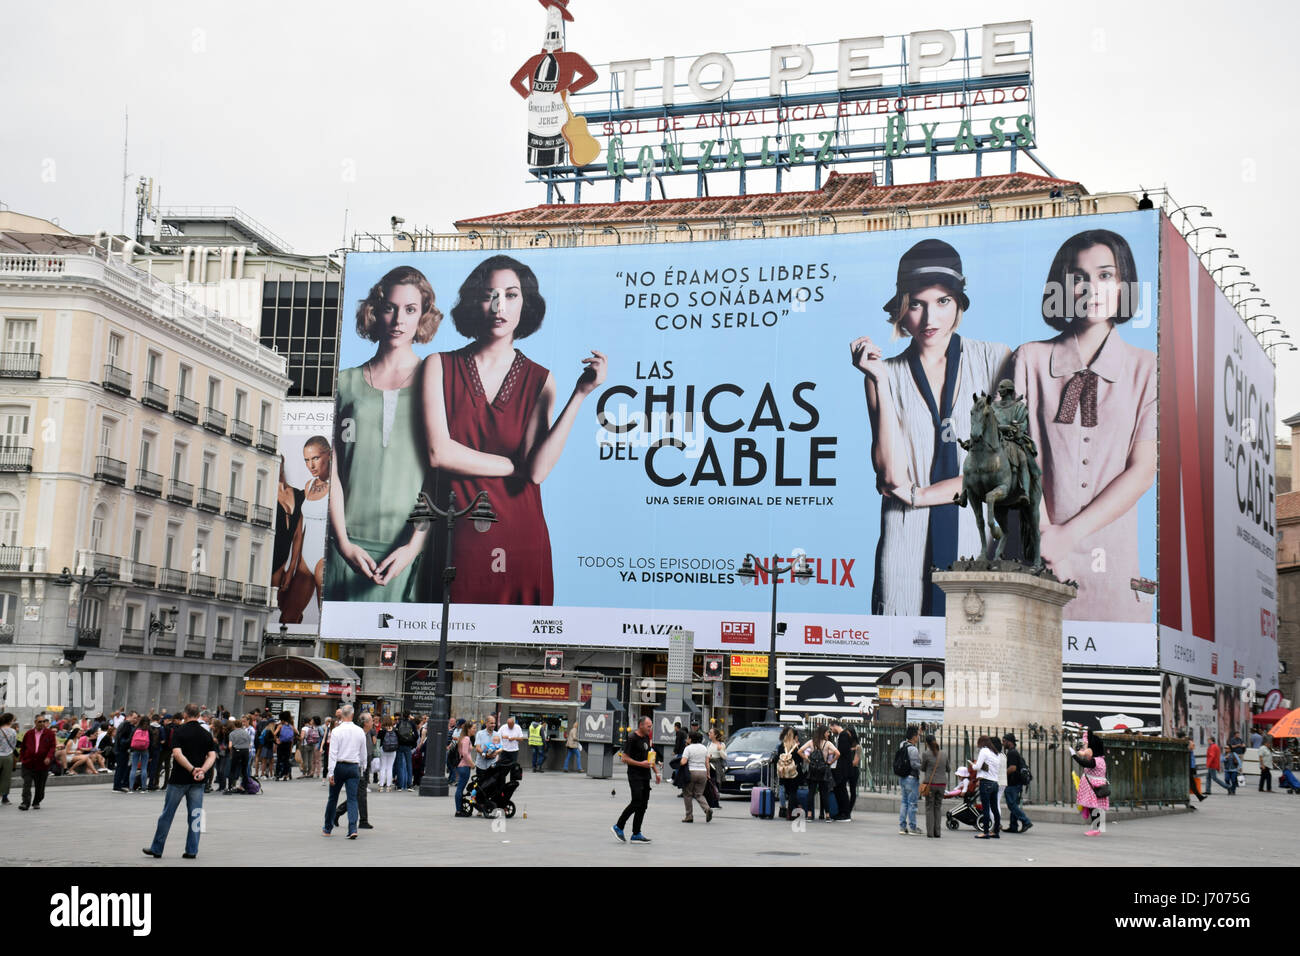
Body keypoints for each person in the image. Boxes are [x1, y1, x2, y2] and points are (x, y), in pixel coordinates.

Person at [422, 254, 608, 605]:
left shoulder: (541, 379)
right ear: (473, 301)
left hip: (521, 537)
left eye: (511, 295)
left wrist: (581, 394)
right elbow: (438, 453)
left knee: (520, 655)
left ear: (526, 304)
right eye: (488, 294)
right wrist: (510, 465)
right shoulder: (439, 366)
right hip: (456, 536)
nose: (498, 306)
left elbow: (536, 472)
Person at [850, 239, 1012, 615]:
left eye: (942, 302)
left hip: (977, 545)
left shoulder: (995, 359)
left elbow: (1001, 468)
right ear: (901, 309)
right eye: (917, 304)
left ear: (958, 303)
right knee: (900, 663)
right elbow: (891, 477)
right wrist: (880, 382)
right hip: (906, 546)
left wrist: (921, 495)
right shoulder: (883, 375)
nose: (929, 319)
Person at [1011, 229, 1155, 619]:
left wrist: (1066, 537)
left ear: (1124, 284)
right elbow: (1018, 459)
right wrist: (1046, 541)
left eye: (1105, 275)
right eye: (1078, 277)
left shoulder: (1147, 370)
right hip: (1035, 561)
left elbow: (1143, 471)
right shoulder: (1031, 359)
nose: (1091, 288)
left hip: (1114, 570)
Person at [326, 267, 441, 606]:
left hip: (407, 550)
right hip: (346, 548)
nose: (398, 320)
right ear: (376, 311)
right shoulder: (344, 383)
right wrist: (343, 543)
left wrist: (413, 546)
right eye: (390, 308)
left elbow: (437, 475)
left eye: (410, 309)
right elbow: (330, 470)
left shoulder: (435, 382)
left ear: (423, 315)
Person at [142, 703, 216, 859]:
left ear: (185, 715)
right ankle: (192, 850)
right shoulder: (205, 733)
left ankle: (157, 848)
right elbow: (212, 755)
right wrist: (202, 770)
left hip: (178, 779)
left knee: (167, 814)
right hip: (198, 781)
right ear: (198, 715)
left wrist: (191, 769)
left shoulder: (179, 731)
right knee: (195, 815)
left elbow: (177, 754)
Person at [273, 455, 312, 624]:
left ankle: (295, 623)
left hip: (283, 561)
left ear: (282, 464)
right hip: (269, 557)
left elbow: (298, 536)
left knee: (285, 604)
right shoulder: (266, 492)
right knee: (271, 605)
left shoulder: (298, 494)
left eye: (278, 462)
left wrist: (291, 569)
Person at [612, 716, 660, 844]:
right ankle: (619, 826)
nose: (650, 728)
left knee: (643, 805)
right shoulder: (632, 738)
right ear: (641, 725)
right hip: (635, 775)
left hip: (645, 775)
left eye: (651, 726)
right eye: (648, 726)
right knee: (636, 801)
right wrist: (640, 764)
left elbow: (649, 755)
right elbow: (624, 758)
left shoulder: (646, 737)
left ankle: (636, 833)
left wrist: (656, 771)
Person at [323, 704, 366, 839]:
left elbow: (333, 753)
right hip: (353, 767)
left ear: (341, 715)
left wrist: (330, 772)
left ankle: (328, 828)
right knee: (352, 798)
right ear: (352, 715)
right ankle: (352, 828)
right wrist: (363, 768)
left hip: (339, 767)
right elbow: (363, 752)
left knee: (333, 798)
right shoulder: (360, 731)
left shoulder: (336, 731)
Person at [335, 712, 375, 830]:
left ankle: (339, 813)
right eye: (371, 720)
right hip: (357, 767)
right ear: (366, 723)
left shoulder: (367, 733)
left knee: (359, 794)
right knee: (359, 794)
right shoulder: (358, 733)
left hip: (365, 766)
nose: (373, 722)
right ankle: (362, 820)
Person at [799, 725, 840, 822]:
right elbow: (838, 753)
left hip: (813, 770)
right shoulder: (828, 743)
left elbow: (800, 751)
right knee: (824, 793)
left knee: (811, 793)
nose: (828, 734)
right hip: (823, 770)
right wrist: (830, 762)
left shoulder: (811, 742)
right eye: (827, 732)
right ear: (823, 733)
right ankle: (827, 816)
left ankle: (809, 815)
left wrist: (808, 760)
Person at [1071, 732, 1110, 836]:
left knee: (1094, 808)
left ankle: (1096, 829)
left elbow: (1085, 763)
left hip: (1094, 788)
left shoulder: (1096, 761)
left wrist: (1074, 755)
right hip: (1094, 787)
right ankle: (1097, 828)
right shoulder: (1100, 759)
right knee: (1094, 807)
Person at [969, 735, 1001, 839]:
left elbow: (977, 767)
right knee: (995, 808)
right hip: (995, 783)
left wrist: (972, 765)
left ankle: (986, 832)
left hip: (986, 782)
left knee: (986, 808)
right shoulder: (996, 753)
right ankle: (996, 831)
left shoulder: (984, 751)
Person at [919, 734, 950, 837]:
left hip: (930, 785)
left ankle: (930, 833)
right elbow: (948, 769)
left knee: (929, 807)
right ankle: (938, 832)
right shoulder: (944, 754)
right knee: (938, 807)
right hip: (942, 784)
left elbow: (923, 768)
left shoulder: (926, 754)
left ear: (927, 743)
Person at [829, 718, 859, 821]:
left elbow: (842, 753)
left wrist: (832, 756)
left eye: (831, 728)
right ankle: (842, 812)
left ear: (834, 726)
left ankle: (845, 813)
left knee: (841, 790)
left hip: (843, 769)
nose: (831, 731)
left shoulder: (843, 736)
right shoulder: (842, 736)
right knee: (840, 790)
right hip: (843, 768)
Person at [1001, 733, 1032, 833]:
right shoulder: (1013, 752)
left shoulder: (1012, 753)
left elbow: (1012, 768)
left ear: (1009, 742)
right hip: (1016, 783)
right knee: (1013, 804)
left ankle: (1026, 821)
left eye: (1004, 741)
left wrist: (1001, 776)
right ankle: (1013, 826)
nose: (1003, 743)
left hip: (1013, 783)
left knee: (1011, 805)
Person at [679, 730, 712, 823]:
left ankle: (689, 816)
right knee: (699, 794)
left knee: (687, 794)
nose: (687, 739)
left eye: (688, 737)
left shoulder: (688, 748)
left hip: (691, 772)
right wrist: (708, 774)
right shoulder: (704, 748)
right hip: (703, 773)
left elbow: (683, 762)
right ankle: (707, 809)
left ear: (691, 739)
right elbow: (707, 763)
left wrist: (680, 761)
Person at [773, 726, 803, 820]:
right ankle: (790, 813)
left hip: (783, 774)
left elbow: (776, 758)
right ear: (794, 736)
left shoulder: (782, 746)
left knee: (788, 792)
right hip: (794, 773)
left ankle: (795, 809)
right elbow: (800, 759)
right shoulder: (796, 747)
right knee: (793, 792)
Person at [454, 721, 476, 816]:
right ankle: (458, 811)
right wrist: (472, 764)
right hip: (464, 766)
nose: (475, 730)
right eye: (473, 728)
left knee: (460, 788)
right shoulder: (466, 739)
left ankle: (459, 809)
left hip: (462, 766)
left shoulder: (464, 738)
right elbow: (465, 753)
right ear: (468, 729)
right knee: (460, 789)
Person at [393, 712, 418, 790]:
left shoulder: (399, 723)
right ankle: (409, 784)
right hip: (408, 746)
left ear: (402, 716)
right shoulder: (412, 723)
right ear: (409, 716)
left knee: (399, 765)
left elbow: (396, 733)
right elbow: (416, 735)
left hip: (400, 746)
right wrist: (412, 742)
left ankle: (400, 785)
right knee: (409, 765)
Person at [228, 718, 251, 791]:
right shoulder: (246, 733)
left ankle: (229, 787)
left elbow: (230, 746)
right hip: (245, 751)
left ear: (234, 725)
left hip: (237, 751)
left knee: (232, 769)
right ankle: (246, 787)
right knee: (244, 770)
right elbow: (249, 744)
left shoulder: (232, 733)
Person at [377, 716, 398, 791]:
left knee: (383, 767)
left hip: (384, 749)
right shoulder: (395, 730)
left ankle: (381, 786)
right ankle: (389, 787)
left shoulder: (382, 730)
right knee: (390, 767)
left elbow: (378, 740)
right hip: (393, 750)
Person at [275, 711, 297, 781]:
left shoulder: (280, 726)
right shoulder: (291, 726)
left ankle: (277, 775)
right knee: (286, 760)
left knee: (279, 759)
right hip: (288, 744)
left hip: (281, 744)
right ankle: (285, 775)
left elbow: (274, 733)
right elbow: (297, 732)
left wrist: (277, 739)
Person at [0, 712, 16, 805]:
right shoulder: (12, 731)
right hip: (8, 756)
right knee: (6, 778)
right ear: (10, 721)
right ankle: (5, 798)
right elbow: (13, 745)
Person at [1187, 737, 1207, 803]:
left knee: (1192, 784)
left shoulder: (1191, 752)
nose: (1194, 745)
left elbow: (1193, 762)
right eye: (1192, 744)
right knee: (1192, 784)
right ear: (1189, 746)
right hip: (1188, 769)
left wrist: (1194, 769)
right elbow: (1189, 762)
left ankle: (1199, 797)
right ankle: (1199, 797)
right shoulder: (1188, 752)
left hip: (1191, 769)